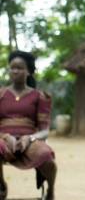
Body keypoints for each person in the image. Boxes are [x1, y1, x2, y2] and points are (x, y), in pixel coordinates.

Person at [0, 51, 56, 200]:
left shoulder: (39, 96)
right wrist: (6, 137)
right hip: (2, 140)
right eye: (12, 68)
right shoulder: (1, 94)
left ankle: (50, 192)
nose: (15, 71)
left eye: (20, 68)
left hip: (29, 141)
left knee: (47, 156)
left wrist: (28, 138)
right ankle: (1, 184)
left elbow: (44, 131)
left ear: (29, 72)